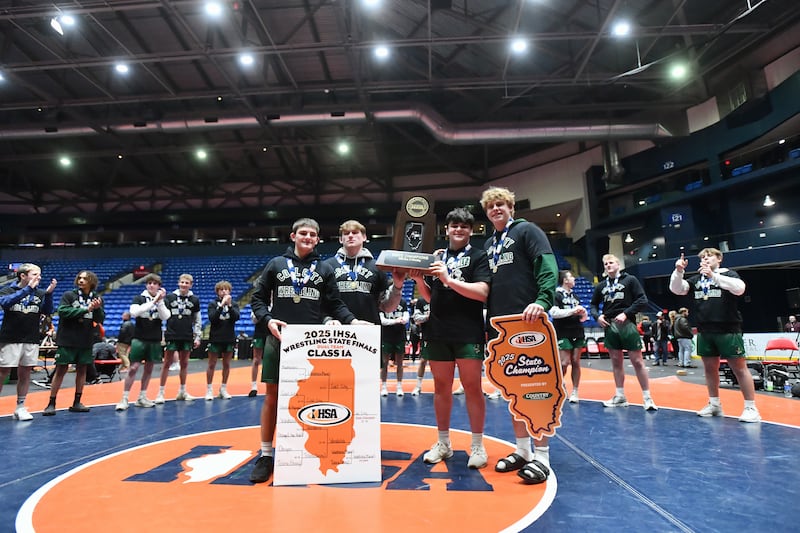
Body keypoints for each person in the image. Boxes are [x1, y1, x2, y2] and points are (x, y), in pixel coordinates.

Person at [248, 218, 371, 483]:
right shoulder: (276, 265)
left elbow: (335, 304)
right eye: (303, 233)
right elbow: (257, 299)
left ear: (317, 239)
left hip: (313, 343)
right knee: (273, 396)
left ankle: (311, 451)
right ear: (293, 236)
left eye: (312, 234)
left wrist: (352, 321)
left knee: (313, 398)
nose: (307, 237)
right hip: (280, 339)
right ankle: (267, 454)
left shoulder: (325, 268)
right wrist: (268, 319)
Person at [480, 186, 558, 485]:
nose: (496, 209)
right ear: (486, 213)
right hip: (501, 326)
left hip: (529, 322)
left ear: (511, 207)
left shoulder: (528, 231)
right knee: (513, 390)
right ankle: (523, 450)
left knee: (536, 388)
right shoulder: (489, 243)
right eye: (490, 207)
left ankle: (543, 455)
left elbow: (547, 265)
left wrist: (543, 300)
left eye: (501, 204)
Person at [409, 207, 492, 469]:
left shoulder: (479, 256)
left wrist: (446, 278)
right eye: (454, 225)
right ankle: (443, 443)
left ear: (471, 231)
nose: (458, 230)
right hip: (438, 329)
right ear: (447, 229)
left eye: (464, 226)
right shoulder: (437, 257)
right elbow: (431, 297)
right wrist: (419, 280)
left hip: (467, 329)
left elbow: (481, 292)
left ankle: (477, 445)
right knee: (441, 388)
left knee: (472, 387)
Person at [669, 249, 761, 422]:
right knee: (710, 369)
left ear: (719, 258)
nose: (705, 259)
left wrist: (713, 275)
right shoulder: (696, 279)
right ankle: (714, 404)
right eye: (702, 257)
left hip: (728, 329)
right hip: (705, 330)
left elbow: (740, 289)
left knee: (739, 369)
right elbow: (677, 289)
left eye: (709, 256)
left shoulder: (729, 274)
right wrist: (678, 271)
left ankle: (751, 408)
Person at [590, 254, 658, 411]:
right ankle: (620, 396)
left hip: (627, 324)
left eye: (611, 262)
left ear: (618, 264)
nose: (608, 265)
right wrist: (597, 316)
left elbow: (642, 300)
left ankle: (647, 398)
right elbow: (593, 304)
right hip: (609, 325)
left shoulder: (630, 280)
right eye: (605, 263)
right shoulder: (601, 286)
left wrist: (626, 313)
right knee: (615, 361)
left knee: (637, 361)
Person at [0, 263, 57, 420]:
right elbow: (5, 303)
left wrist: (49, 294)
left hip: (31, 338)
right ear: (23, 276)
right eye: (34, 274)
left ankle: (20, 407)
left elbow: (47, 311)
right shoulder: (8, 289)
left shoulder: (39, 293)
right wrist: (27, 290)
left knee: (25, 373)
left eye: (39, 275)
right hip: (10, 337)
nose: (39, 277)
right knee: (3, 372)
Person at [44, 270, 103, 416]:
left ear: (92, 281)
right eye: (80, 278)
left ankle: (77, 402)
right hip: (68, 338)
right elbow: (63, 311)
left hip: (85, 339)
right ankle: (51, 403)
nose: (81, 280)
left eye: (85, 278)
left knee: (82, 370)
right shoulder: (69, 295)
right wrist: (85, 309)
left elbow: (100, 318)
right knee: (61, 370)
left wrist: (96, 309)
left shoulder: (96, 297)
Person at [116, 274, 169, 411]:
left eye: (154, 283)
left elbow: (166, 316)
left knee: (149, 368)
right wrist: (153, 301)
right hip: (139, 338)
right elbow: (135, 312)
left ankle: (142, 397)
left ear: (158, 286)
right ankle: (125, 398)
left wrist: (160, 302)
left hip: (155, 339)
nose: (151, 285)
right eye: (149, 283)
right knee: (133, 368)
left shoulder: (162, 301)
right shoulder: (139, 298)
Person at [156, 274, 201, 403]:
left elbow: (197, 319)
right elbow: (163, 314)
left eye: (187, 283)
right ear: (178, 283)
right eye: (182, 282)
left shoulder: (195, 299)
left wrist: (197, 336)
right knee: (166, 363)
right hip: (172, 334)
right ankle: (161, 393)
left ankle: (182, 391)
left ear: (191, 285)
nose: (184, 285)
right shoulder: (169, 297)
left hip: (187, 335)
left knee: (184, 364)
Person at [549, 270, 588, 403]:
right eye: (571, 277)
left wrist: (583, 314)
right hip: (562, 331)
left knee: (576, 362)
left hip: (577, 331)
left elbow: (582, 317)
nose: (574, 279)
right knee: (564, 362)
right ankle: (559, 384)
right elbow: (554, 312)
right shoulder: (556, 294)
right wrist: (573, 311)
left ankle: (575, 391)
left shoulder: (575, 296)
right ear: (565, 280)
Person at [205, 280, 240, 400]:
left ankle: (223, 388)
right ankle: (209, 389)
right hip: (215, 338)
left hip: (229, 338)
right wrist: (221, 305)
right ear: (217, 292)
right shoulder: (212, 304)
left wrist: (229, 305)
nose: (224, 291)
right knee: (212, 364)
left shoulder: (234, 304)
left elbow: (236, 318)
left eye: (226, 289)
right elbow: (213, 318)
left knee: (226, 364)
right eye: (221, 289)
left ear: (230, 291)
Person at [380, 299, 410, 396]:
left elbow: (406, 318)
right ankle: (384, 387)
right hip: (386, 336)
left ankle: (399, 386)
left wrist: (399, 321)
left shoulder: (402, 302)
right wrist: (396, 321)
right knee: (384, 363)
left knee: (400, 363)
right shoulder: (383, 303)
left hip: (399, 336)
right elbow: (382, 321)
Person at [410, 296, 430, 396]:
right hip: (428, 335)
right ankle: (418, 386)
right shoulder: (421, 301)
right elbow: (416, 318)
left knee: (443, 364)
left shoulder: (441, 297)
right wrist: (427, 317)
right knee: (423, 361)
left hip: (442, 335)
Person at [248, 310, 267, 397]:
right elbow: (254, 320)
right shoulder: (258, 304)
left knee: (271, 360)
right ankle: (254, 386)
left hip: (271, 333)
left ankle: (270, 385)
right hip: (259, 333)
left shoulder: (276, 303)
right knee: (256, 360)